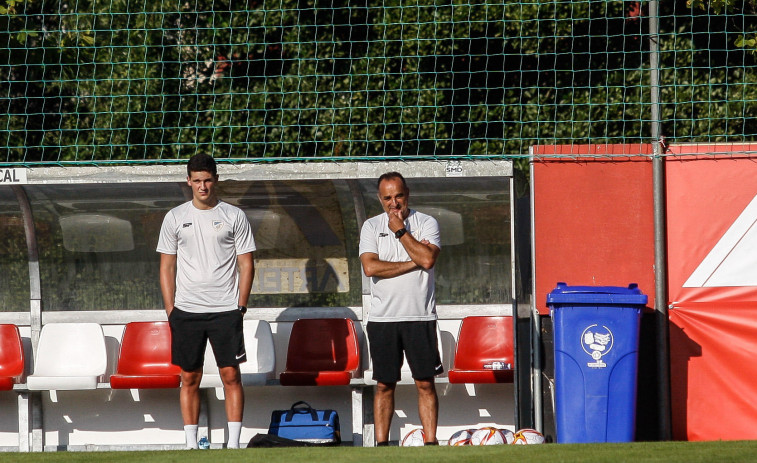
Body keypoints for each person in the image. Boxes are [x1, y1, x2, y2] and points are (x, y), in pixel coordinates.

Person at [157, 154, 256, 449]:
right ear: (188, 181)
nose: (203, 186)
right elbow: (166, 266)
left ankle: (234, 444)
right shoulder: (175, 217)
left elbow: (247, 263)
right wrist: (170, 308)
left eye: (207, 180)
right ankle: (191, 444)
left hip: (226, 309)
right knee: (189, 377)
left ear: (216, 179)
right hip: (186, 311)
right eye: (197, 181)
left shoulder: (234, 216)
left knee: (230, 374)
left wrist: (241, 305)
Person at [359, 171, 443, 446]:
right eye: (387, 198)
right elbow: (371, 267)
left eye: (398, 196)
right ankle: (382, 446)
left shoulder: (426, 222)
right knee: (384, 384)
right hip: (383, 319)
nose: (394, 203)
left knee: (425, 383)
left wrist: (400, 231)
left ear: (408, 194)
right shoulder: (371, 227)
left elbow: (429, 259)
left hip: (420, 316)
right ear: (380, 199)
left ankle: (431, 444)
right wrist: (413, 261)